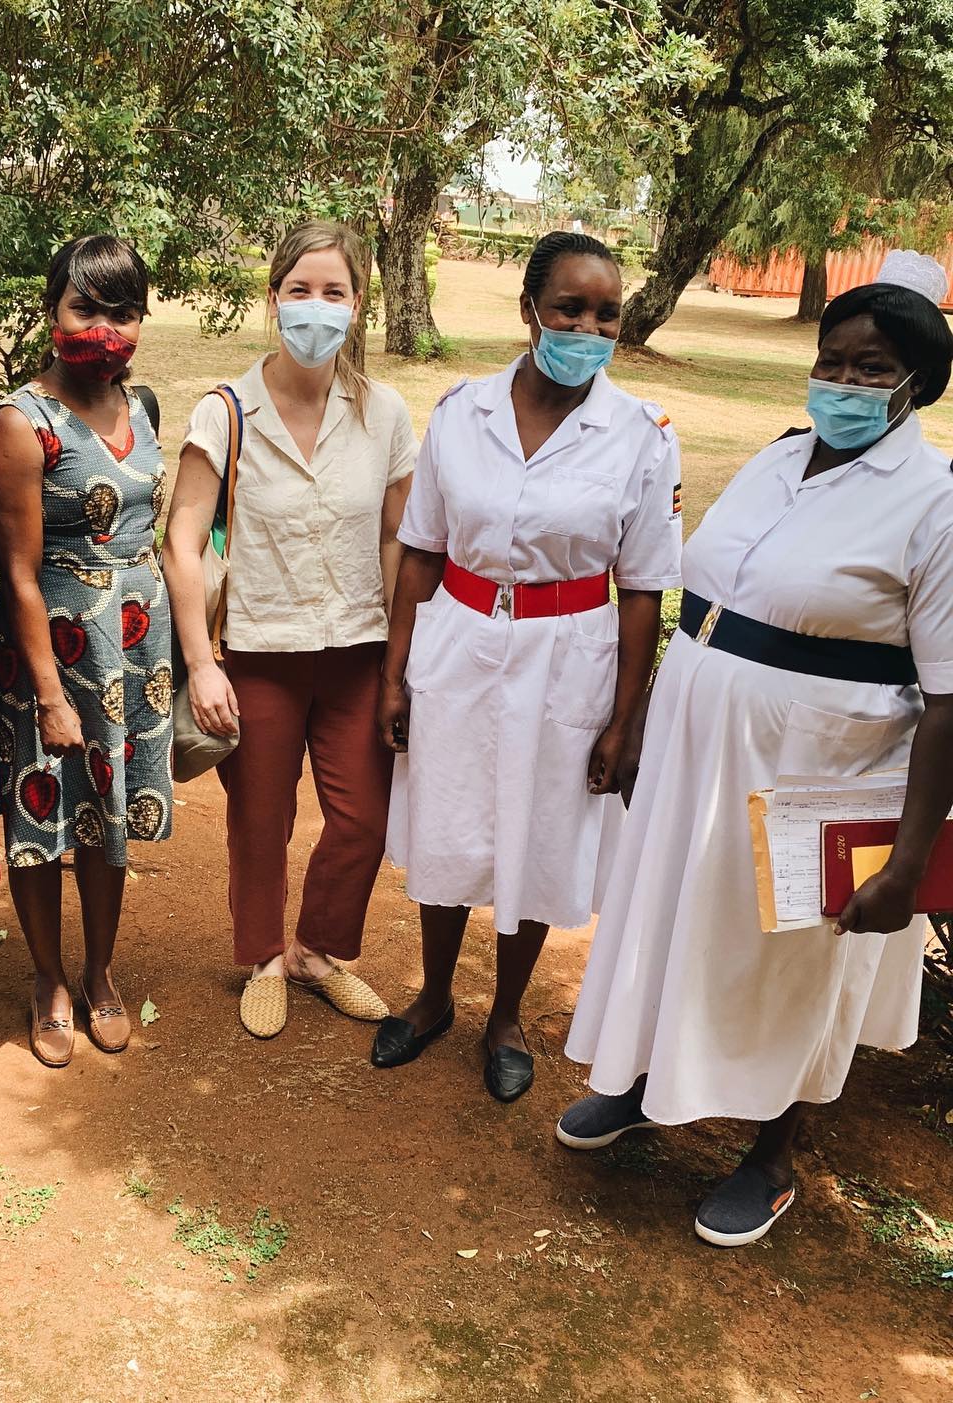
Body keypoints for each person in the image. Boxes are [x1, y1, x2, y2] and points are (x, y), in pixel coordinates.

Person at [557, 251, 953, 1247]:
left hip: (828, 769)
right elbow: (712, 606)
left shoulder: (936, 500)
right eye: (833, 362)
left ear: (915, 384)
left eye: (871, 370)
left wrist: (909, 860)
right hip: (703, 752)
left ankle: (775, 1149)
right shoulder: (781, 454)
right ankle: (649, 1082)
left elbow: (949, 696)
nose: (844, 383)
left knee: (797, 961)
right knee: (683, 919)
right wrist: (645, 714)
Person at [374, 231, 681, 1102]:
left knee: (542, 830)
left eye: (606, 313)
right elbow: (422, 551)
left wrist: (626, 718)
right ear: (529, 311)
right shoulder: (461, 411)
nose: (588, 326)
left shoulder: (641, 436)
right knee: (450, 821)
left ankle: (504, 1014)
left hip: (570, 655)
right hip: (461, 638)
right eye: (570, 308)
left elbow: (644, 590)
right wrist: (394, 673)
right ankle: (434, 996)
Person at [162, 219, 416, 1040]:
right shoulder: (226, 412)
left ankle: (317, 949)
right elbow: (183, 539)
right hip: (258, 654)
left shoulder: (383, 413)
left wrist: (398, 663)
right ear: (273, 300)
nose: (316, 306)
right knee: (260, 817)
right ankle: (267, 956)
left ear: (356, 305)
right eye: (300, 290)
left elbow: (395, 535)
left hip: (356, 651)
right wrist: (202, 665)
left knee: (362, 819)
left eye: (333, 292)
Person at [0, 234, 172, 1067]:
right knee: (42, 811)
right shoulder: (22, 423)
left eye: (122, 311)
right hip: (52, 650)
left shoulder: (149, 408)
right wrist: (51, 692)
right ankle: (47, 978)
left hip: (136, 648)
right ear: (51, 309)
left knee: (108, 811)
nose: (104, 327)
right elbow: (19, 575)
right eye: (85, 307)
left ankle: (100, 973)